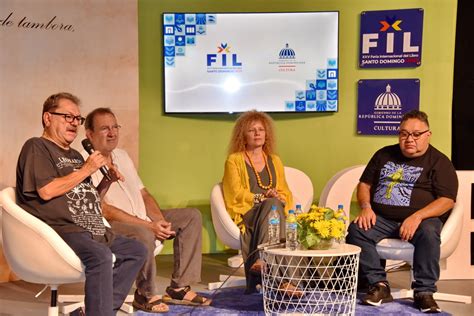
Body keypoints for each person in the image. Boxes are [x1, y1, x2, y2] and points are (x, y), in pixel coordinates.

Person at [16, 92, 147, 316]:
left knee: (137, 250)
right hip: (62, 229)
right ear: (48, 118)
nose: (74, 123)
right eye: (67, 117)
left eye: (78, 118)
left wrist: (106, 181)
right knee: (101, 256)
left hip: (91, 227)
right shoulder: (37, 147)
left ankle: (93, 312)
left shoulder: (76, 155)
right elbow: (46, 191)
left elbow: (89, 199)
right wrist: (87, 169)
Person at [82, 107, 209, 312]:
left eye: (115, 127)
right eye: (105, 128)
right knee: (142, 233)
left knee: (191, 216)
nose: (112, 133)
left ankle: (179, 287)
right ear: (89, 134)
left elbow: (143, 193)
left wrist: (160, 221)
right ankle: (145, 294)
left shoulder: (122, 156)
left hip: (142, 218)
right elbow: (104, 209)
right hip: (114, 225)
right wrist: (149, 225)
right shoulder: (84, 161)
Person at [346, 110, 458, 313]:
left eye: (416, 134)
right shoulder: (384, 154)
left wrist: (417, 216)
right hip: (382, 218)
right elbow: (364, 184)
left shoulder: (440, 162)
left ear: (428, 135)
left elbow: (447, 200)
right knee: (357, 230)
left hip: (422, 219)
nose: (409, 139)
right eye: (404, 133)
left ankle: (424, 292)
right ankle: (379, 284)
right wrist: (366, 207)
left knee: (429, 232)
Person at [222, 110, 295, 293]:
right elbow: (235, 194)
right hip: (249, 213)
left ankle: (265, 264)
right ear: (243, 136)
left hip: (274, 212)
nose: (257, 133)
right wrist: (262, 198)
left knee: (276, 208)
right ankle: (285, 282)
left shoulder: (275, 160)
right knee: (272, 207)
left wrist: (280, 197)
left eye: (261, 130)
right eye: (252, 130)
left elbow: (285, 190)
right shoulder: (234, 160)